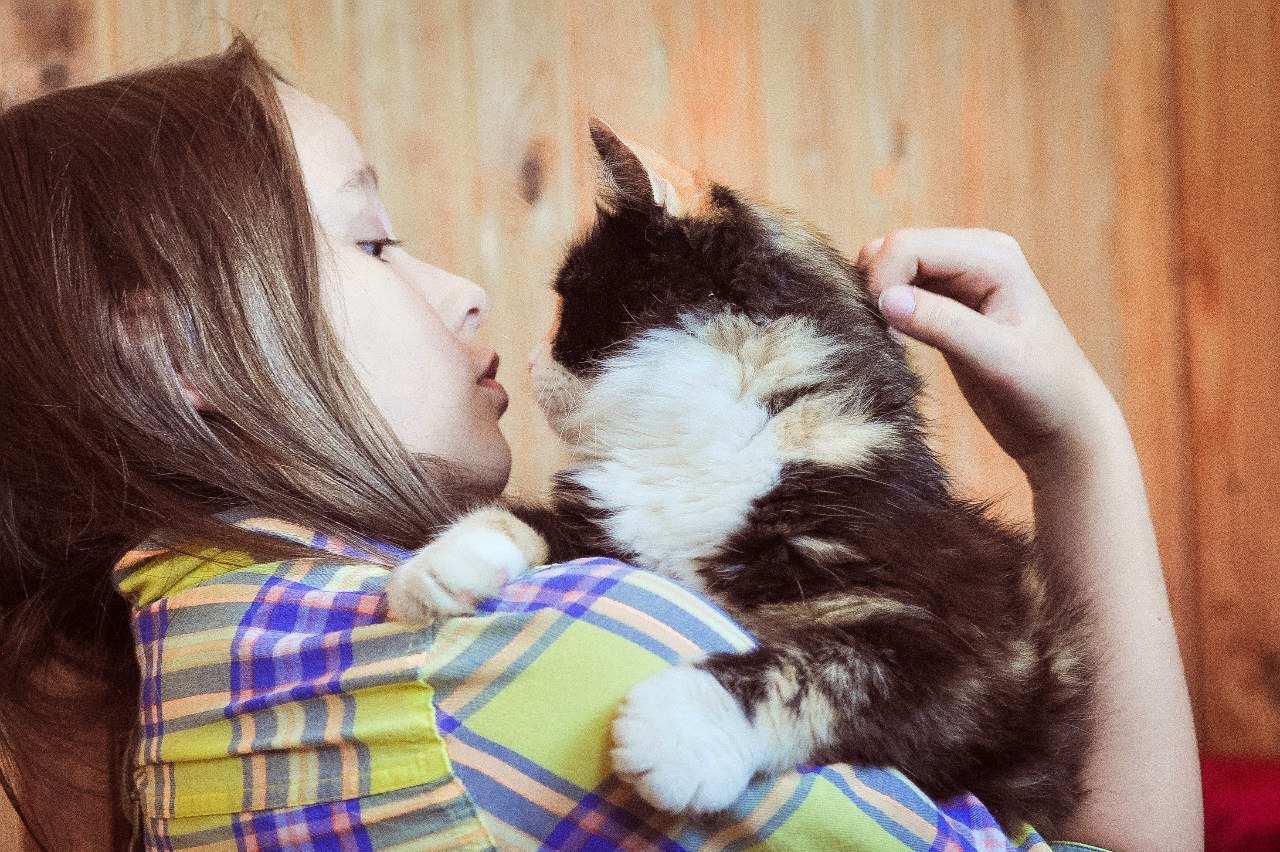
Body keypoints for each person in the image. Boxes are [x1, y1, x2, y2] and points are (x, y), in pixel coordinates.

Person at [0, 37, 1201, 851]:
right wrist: (1082, 446)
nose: (465, 288)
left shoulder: (164, 675)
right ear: (173, 352)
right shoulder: (567, 659)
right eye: (373, 243)